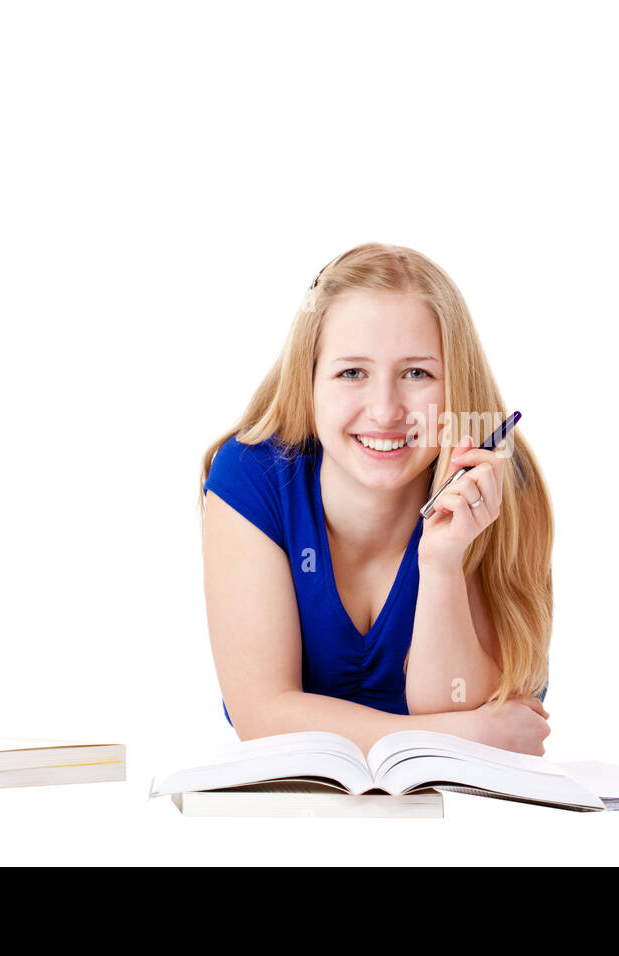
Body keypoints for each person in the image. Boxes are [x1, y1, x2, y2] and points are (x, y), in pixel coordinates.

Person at [199, 243, 553, 757]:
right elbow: (262, 716)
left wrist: (442, 562)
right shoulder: (252, 476)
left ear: (456, 384)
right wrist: (461, 736)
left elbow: (460, 716)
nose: (386, 411)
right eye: (352, 373)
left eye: (417, 374)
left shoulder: (496, 486)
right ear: (310, 380)